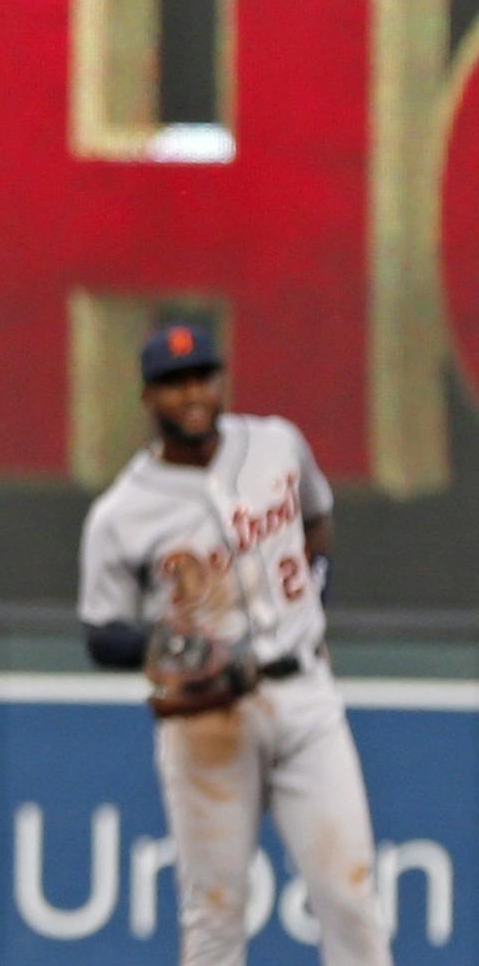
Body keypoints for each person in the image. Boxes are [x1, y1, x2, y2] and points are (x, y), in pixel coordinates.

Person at [77, 323, 389, 965]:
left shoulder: (277, 444)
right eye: (173, 383)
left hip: (305, 699)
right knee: (214, 917)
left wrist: (316, 590)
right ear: (147, 398)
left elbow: (317, 518)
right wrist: (166, 644)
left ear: (220, 382)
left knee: (352, 903)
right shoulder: (122, 512)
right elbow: (101, 631)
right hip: (206, 721)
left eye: (202, 377)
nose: (192, 393)